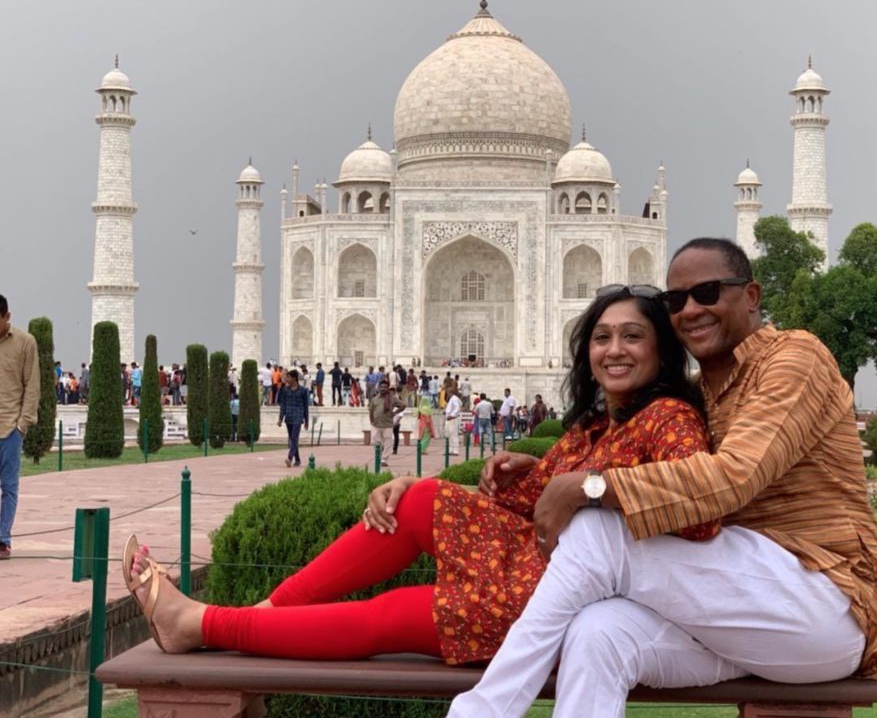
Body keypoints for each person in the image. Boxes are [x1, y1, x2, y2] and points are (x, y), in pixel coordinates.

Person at [119, 285, 716, 667]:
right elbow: (535, 504)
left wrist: (589, 489)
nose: (613, 349)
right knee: (421, 496)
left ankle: (204, 623)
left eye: (632, 336)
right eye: (602, 337)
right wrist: (513, 476)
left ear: (662, 352)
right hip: (531, 565)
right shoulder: (595, 426)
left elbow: (699, 512)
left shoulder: (670, 419)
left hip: (565, 593)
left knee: (395, 613)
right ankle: (254, 616)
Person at [447, 238, 877, 718]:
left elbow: (731, 479)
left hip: (821, 600)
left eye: (707, 292)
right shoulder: (700, 392)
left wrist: (590, 485)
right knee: (598, 632)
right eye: (675, 301)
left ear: (751, 296)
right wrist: (547, 472)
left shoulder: (793, 359)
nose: (690, 310)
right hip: (735, 615)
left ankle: (481, 712)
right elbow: (628, 455)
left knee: (597, 528)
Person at [0, 294, 40, 560]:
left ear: (7, 317)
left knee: (9, 488)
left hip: (9, 428)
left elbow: (32, 385)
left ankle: (3, 539)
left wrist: (22, 425)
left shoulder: (25, 343)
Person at [368, 379, 403, 469]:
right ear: (379, 388)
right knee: (376, 442)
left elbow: (403, 405)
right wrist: (371, 421)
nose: (383, 388)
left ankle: (384, 459)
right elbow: (371, 411)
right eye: (381, 387)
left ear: (387, 388)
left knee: (388, 443)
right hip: (376, 424)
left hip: (387, 424)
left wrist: (395, 413)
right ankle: (379, 457)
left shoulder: (392, 399)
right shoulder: (374, 399)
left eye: (385, 387)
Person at [276, 369, 308, 468]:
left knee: (294, 438)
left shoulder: (303, 390)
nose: (286, 379)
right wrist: (280, 419)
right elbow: (283, 405)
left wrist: (307, 421)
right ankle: (297, 460)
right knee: (292, 439)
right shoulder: (285, 390)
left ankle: (289, 458)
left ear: (294, 378)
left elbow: (305, 406)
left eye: (288, 377)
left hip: (298, 417)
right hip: (289, 417)